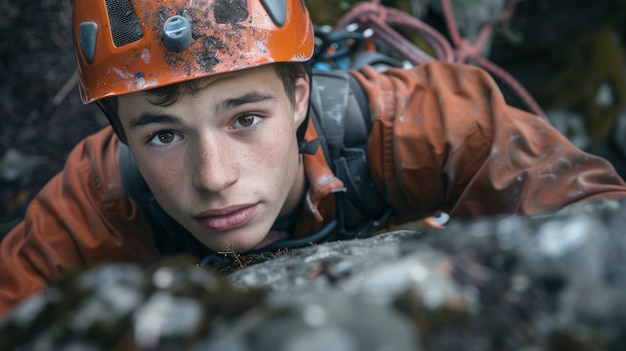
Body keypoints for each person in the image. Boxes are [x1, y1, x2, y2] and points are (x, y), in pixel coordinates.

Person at [1, 0, 626, 317]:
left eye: (246, 119)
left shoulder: (409, 121)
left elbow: (599, 221)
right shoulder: (95, 199)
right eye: (163, 136)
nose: (215, 178)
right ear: (120, 136)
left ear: (298, 96)